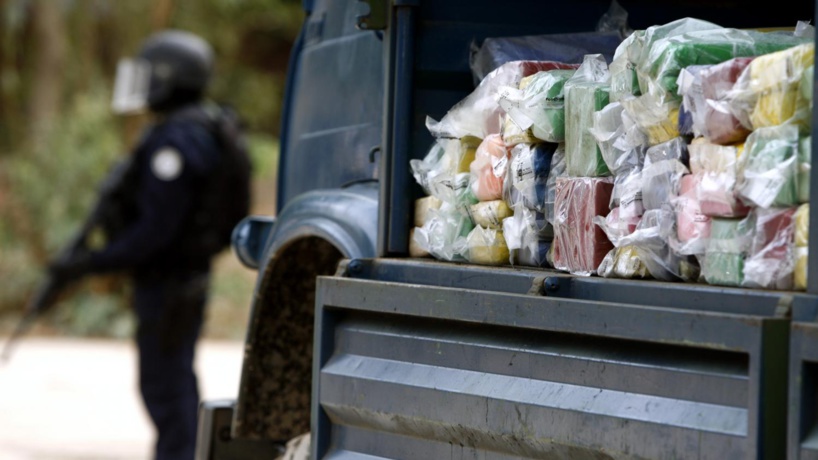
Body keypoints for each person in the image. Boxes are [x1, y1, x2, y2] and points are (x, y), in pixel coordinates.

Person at [48, 29, 252, 460]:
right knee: (174, 378)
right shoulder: (200, 126)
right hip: (183, 278)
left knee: (165, 384)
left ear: (168, 77)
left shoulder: (176, 141)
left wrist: (92, 262)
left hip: (170, 282)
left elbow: (156, 232)